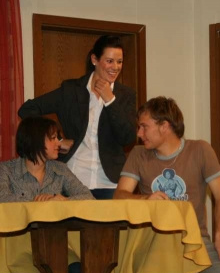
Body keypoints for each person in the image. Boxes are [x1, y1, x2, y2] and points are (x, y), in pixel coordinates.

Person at [114, 96, 220, 273]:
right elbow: (120, 196)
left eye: (144, 127)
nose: (139, 133)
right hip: (158, 244)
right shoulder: (138, 154)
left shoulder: (200, 150)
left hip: (197, 241)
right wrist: (145, 198)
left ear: (164, 126)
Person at [18, 35, 137, 200]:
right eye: (110, 61)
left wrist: (110, 100)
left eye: (119, 62)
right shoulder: (71, 90)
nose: (115, 67)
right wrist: (58, 140)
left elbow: (128, 137)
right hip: (73, 179)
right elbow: (27, 109)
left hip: (110, 182)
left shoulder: (126, 95)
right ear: (94, 59)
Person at [0, 116, 94, 273]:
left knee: (78, 271)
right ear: (36, 139)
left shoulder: (60, 169)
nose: (59, 143)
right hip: (19, 249)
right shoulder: (6, 169)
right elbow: (2, 199)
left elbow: (88, 197)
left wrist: (62, 200)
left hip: (56, 246)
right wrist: (37, 204)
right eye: (53, 138)